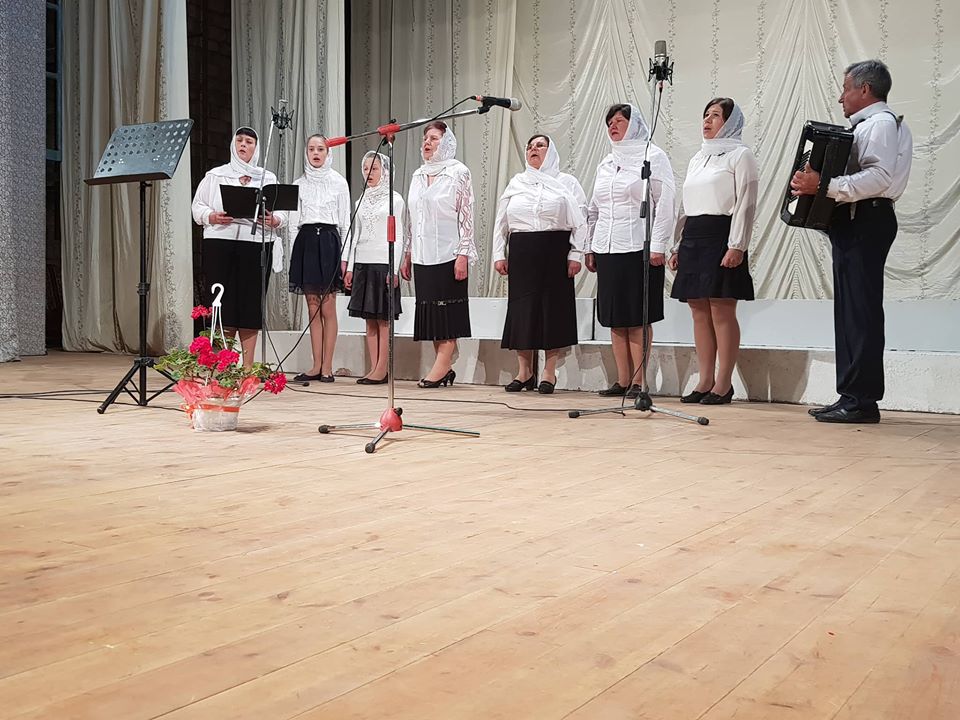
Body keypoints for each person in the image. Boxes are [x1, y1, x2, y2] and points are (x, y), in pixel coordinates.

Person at [791, 59, 913, 424]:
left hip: (867, 218)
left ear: (865, 89)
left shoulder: (880, 123)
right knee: (850, 312)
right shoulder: (867, 125)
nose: (840, 97)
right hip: (856, 220)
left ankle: (861, 400)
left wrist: (823, 185)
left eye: (846, 88)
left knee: (860, 312)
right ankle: (851, 395)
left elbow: (878, 177)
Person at [668, 98, 758, 405]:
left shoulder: (740, 155)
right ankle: (704, 379)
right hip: (694, 236)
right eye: (705, 115)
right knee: (697, 310)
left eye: (715, 115)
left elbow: (746, 202)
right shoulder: (698, 157)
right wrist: (677, 244)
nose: (707, 120)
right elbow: (686, 205)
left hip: (722, 235)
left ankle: (723, 383)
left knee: (721, 309)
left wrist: (737, 245)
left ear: (730, 122)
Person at [585, 103, 676, 398]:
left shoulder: (653, 156)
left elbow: (665, 202)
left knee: (637, 318)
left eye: (619, 120)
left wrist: (659, 244)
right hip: (607, 248)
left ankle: (639, 381)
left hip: (640, 247)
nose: (612, 126)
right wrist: (590, 246)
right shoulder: (605, 162)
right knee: (614, 317)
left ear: (634, 124)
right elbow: (594, 208)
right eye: (609, 122)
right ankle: (622, 380)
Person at [493, 134, 586, 394]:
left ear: (551, 151)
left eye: (540, 145)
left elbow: (581, 221)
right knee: (523, 310)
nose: (533, 149)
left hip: (555, 249)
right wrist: (499, 253)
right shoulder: (516, 183)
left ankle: (548, 372)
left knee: (552, 310)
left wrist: (576, 254)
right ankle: (524, 372)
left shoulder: (566, 182)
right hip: (522, 250)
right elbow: (501, 222)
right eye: (530, 146)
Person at [191, 127, 285, 368]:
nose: (244, 145)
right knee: (222, 304)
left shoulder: (267, 178)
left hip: (255, 244)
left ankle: (247, 367)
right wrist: (212, 216)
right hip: (220, 243)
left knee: (250, 306)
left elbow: (284, 211)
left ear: (256, 147)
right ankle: (224, 364)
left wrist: (275, 220)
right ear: (233, 145)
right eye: (240, 140)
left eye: (249, 141)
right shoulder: (216, 175)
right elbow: (197, 206)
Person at [400, 121, 477, 388]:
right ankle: (444, 368)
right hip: (422, 255)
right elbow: (413, 218)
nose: (427, 143)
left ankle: (440, 367)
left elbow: (466, 214)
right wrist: (408, 252)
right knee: (432, 313)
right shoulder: (418, 175)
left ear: (446, 143)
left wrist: (463, 254)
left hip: (448, 252)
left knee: (447, 313)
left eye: (434, 138)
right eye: (425, 138)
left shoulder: (458, 172)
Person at [288, 134, 351, 383]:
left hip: (328, 242)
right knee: (312, 307)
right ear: (306, 153)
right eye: (312, 149)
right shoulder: (298, 183)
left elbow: (345, 223)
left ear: (328, 152)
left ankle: (328, 366)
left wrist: (345, 259)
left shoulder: (338, 182)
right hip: (306, 242)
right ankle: (316, 365)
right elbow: (293, 223)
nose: (316, 153)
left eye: (320, 149)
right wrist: (294, 256)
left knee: (328, 307)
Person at [344, 151, 405, 385]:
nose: (368, 172)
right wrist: (350, 266)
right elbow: (355, 235)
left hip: (383, 263)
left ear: (385, 171)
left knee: (383, 319)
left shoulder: (394, 200)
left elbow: (398, 235)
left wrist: (394, 268)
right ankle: (373, 368)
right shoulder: (359, 200)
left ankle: (382, 368)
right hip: (363, 262)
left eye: (374, 168)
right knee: (369, 319)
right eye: (365, 168)